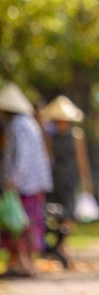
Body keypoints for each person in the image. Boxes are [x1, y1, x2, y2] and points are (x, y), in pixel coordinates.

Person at [0, 82, 53, 277]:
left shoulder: (18, 125)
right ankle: (23, 264)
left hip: (25, 185)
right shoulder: (29, 123)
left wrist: (13, 180)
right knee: (27, 225)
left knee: (19, 226)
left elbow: (22, 156)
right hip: (34, 184)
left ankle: (24, 265)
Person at [41, 96, 94, 228]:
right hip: (55, 175)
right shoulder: (51, 137)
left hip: (70, 175)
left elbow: (82, 159)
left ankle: (64, 239)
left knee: (68, 208)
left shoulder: (76, 135)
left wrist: (86, 180)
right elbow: (47, 156)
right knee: (55, 208)